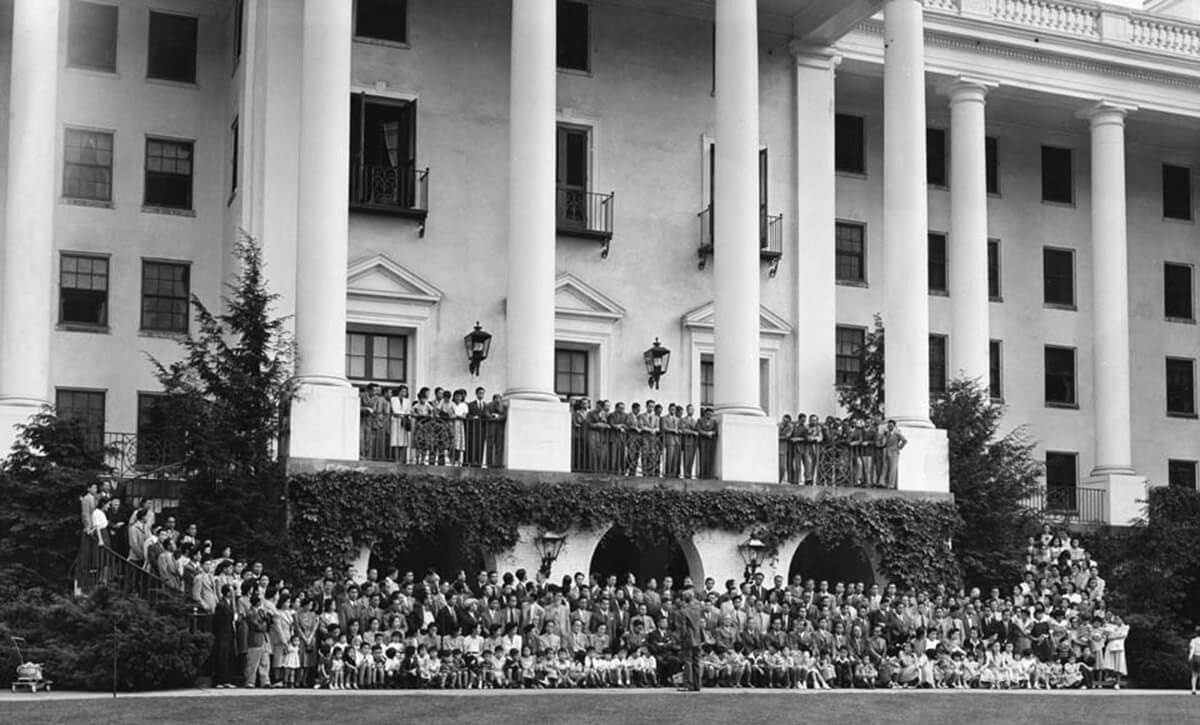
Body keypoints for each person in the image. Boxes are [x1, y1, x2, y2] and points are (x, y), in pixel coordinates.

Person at [676, 587, 703, 691]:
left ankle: (688, 684)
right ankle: (697, 685)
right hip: (697, 637)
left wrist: (682, 638)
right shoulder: (698, 608)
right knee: (696, 661)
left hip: (688, 638)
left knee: (688, 661)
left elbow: (682, 628)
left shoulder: (684, 611)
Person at [212, 585, 239, 688]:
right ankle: (220, 680)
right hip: (223, 634)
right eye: (231, 591)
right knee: (222, 657)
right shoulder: (221, 604)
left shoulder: (230, 603)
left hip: (229, 634)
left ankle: (227, 680)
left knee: (229, 657)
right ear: (227, 592)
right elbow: (217, 621)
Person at [360, 384, 390, 459]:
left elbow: (381, 411)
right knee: (362, 438)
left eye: (376, 390)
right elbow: (357, 406)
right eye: (374, 390)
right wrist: (366, 409)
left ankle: (368, 456)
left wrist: (380, 419)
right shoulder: (361, 396)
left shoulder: (377, 398)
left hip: (372, 421)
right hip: (362, 420)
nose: (375, 392)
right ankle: (361, 455)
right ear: (369, 390)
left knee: (370, 440)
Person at [880, 419, 907, 489]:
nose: (889, 427)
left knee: (892, 468)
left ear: (894, 426)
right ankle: (882, 482)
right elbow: (884, 442)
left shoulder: (897, 433)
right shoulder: (887, 433)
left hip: (894, 452)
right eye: (888, 426)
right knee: (885, 467)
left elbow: (904, 440)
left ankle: (891, 484)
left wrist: (899, 447)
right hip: (887, 450)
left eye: (891, 426)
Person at [389, 385, 412, 464]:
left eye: (405, 392)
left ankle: (402, 459)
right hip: (396, 421)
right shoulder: (393, 399)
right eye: (402, 391)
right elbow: (395, 410)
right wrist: (402, 414)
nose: (403, 393)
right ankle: (396, 459)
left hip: (404, 421)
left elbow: (408, 411)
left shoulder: (407, 401)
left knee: (403, 441)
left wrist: (404, 415)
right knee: (396, 440)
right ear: (399, 391)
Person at [485, 393, 507, 468]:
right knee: (490, 445)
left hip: (500, 427)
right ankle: (489, 463)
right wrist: (493, 416)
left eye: (499, 398)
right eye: (496, 398)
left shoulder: (504, 407)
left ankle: (498, 463)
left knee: (499, 445)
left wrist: (499, 417)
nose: (497, 400)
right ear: (493, 399)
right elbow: (486, 413)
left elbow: (505, 415)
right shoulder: (489, 406)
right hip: (491, 426)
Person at [695, 408, 717, 479]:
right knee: (703, 457)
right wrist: (706, 433)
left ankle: (709, 474)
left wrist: (712, 433)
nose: (709, 415)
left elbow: (716, 431)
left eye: (711, 414)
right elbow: (698, 429)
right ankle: (702, 474)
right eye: (708, 414)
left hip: (710, 442)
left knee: (710, 457)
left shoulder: (714, 422)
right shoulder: (700, 420)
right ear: (705, 414)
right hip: (703, 441)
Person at [1188, 626, 1200, 695]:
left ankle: (1193, 689)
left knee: (1194, 674)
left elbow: (1192, 649)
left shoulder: (1193, 640)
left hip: (1195, 657)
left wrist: (1190, 656)